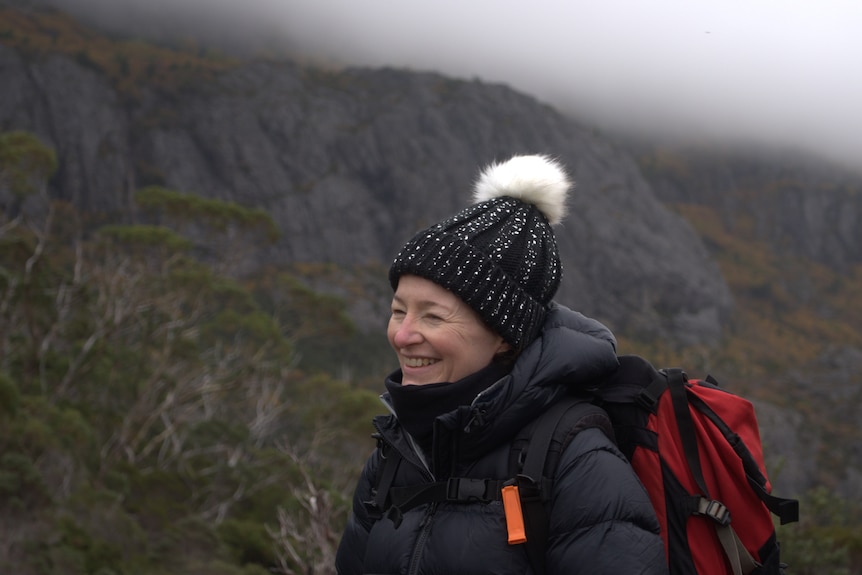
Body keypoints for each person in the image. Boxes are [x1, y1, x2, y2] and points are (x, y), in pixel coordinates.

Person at [335, 154, 668, 574]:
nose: (403, 335)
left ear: (504, 336)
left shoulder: (576, 461)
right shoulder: (399, 449)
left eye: (433, 316)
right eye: (399, 311)